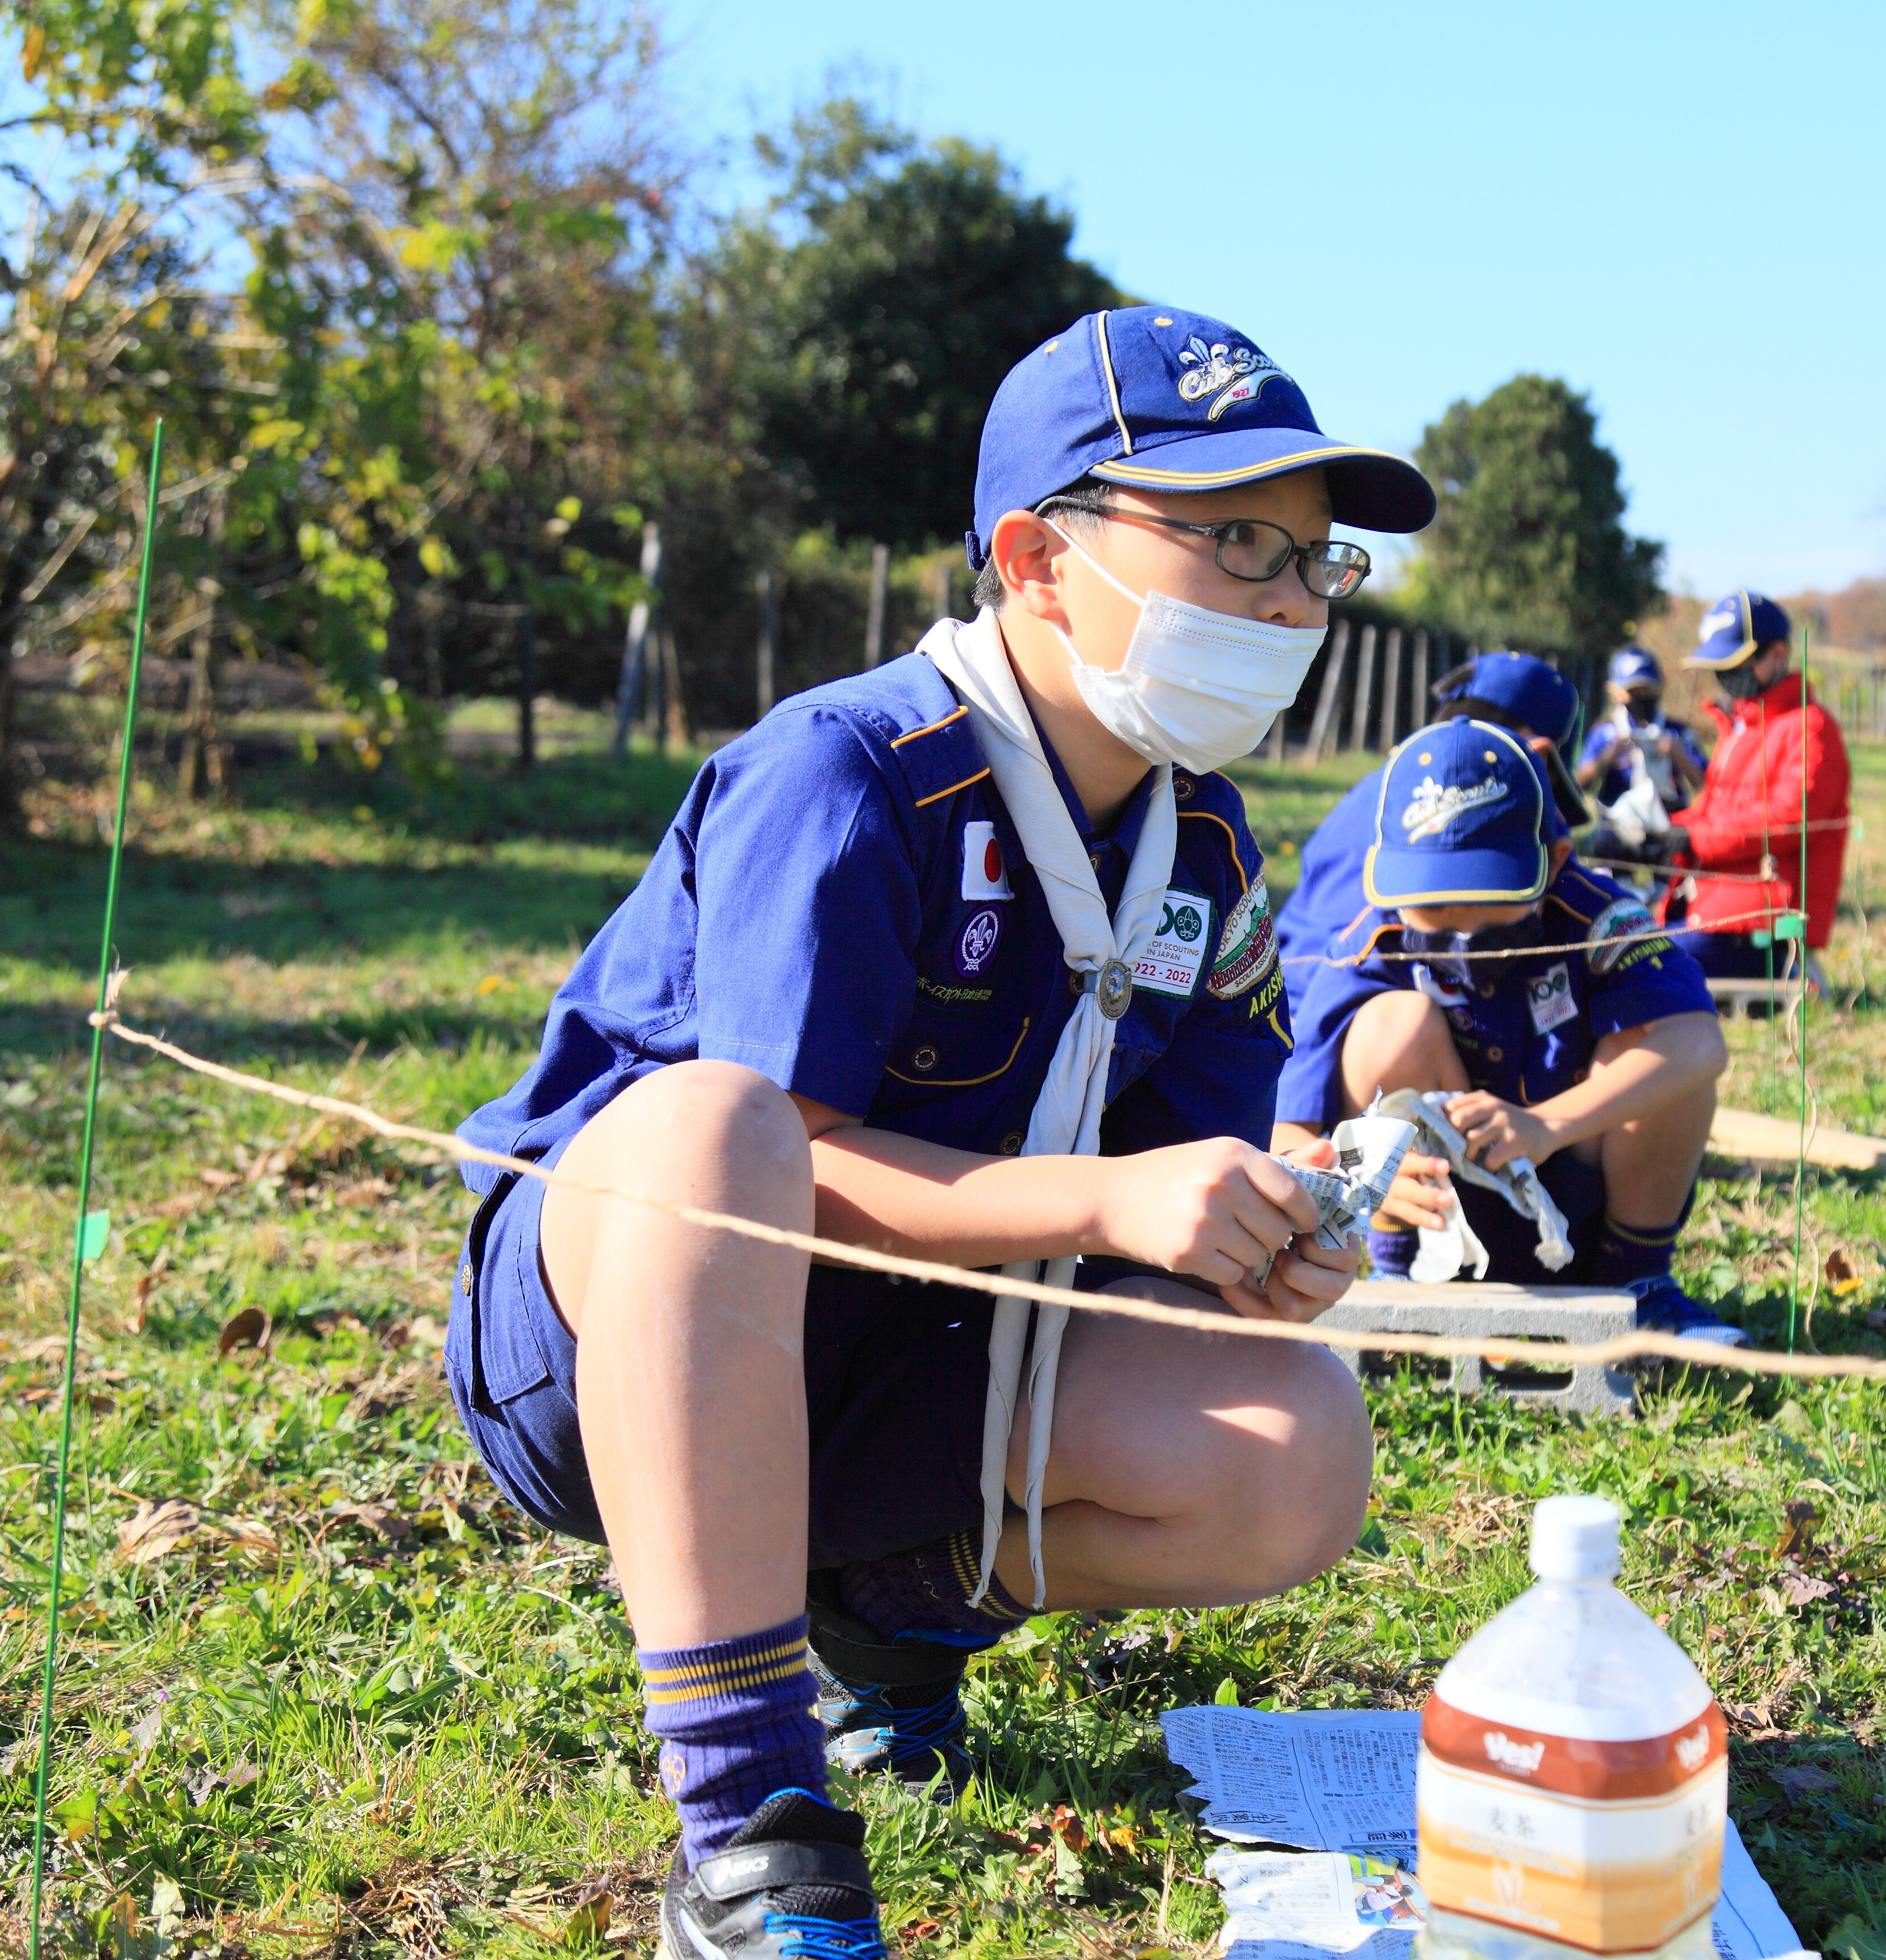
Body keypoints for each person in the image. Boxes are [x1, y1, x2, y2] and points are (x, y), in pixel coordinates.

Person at [443, 305, 1435, 1960]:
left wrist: (1259, 1238)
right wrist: (1111, 1200)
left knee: (1294, 1446)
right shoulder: (851, 770)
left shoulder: (1199, 846)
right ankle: (753, 1824)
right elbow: (767, 1171)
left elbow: (1165, 1191)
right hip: (614, 1340)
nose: (1287, 603)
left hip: (922, 1350)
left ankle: (881, 1618)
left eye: (1314, 562)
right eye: (1237, 542)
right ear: (1036, 558)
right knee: (714, 1127)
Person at [1279, 718, 1744, 1346]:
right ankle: (1399, 1276)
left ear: (1554, 863)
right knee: (1389, 1024)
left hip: (1583, 1211)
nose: (1463, 927)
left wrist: (1547, 1125)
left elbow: (1700, 1044)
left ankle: (1639, 1285)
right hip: (1446, 1225)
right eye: (1433, 904)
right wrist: (1363, 1179)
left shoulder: (1598, 916)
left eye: (1491, 894)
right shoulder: (1372, 939)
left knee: (1659, 1043)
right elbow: (1288, 1128)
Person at [1662, 592, 1851, 983]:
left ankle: (1795, 974)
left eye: (1735, 664)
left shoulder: (1811, 728)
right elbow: (1714, 810)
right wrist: (1660, 832)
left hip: (1763, 925)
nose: (1726, 675)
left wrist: (1693, 838)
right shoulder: (1740, 729)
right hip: (1714, 907)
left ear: (1777, 654)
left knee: (1646, 960)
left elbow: (1789, 817)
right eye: (1718, 666)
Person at [1576, 646, 1706, 811]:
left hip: (1670, 817)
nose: (1642, 696)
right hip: (1617, 818)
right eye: (1634, 691)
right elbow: (1581, 782)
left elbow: (1703, 783)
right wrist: (1609, 756)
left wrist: (1678, 753)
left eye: (1648, 689)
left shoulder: (1677, 732)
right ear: (1615, 691)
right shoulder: (1606, 732)